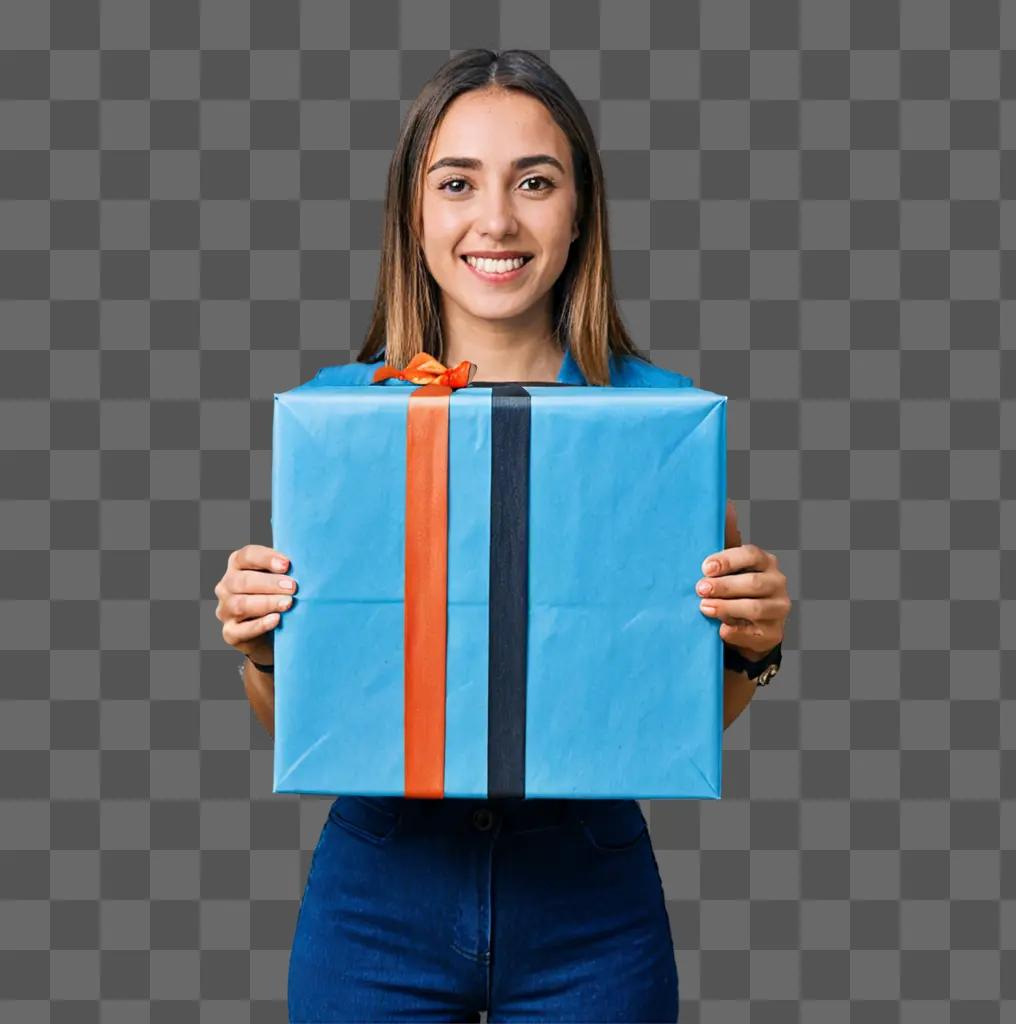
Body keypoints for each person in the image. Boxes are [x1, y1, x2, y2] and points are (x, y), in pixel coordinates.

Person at [214, 49, 791, 1023]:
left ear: (578, 214)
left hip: (590, 901)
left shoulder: (663, 425)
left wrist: (753, 644)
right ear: (414, 214)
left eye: (535, 182)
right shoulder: (336, 423)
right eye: (456, 184)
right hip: (377, 896)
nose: (496, 220)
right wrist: (262, 639)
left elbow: (661, 718)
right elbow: (310, 725)